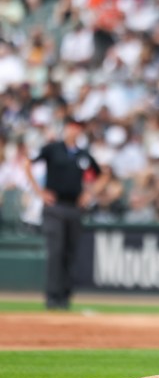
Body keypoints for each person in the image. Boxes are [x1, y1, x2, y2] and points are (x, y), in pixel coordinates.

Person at [24, 119, 104, 310]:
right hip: (55, 207)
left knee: (70, 253)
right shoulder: (52, 149)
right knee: (56, 252)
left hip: (74, 208)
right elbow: (28, 163)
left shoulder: (83, 154)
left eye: (77, 128)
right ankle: (52, 296)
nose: (74, 131)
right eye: (71, 127)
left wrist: (89, 193)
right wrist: (39, 191)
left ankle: (65, 296)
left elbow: (102, 173)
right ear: (66, 129)